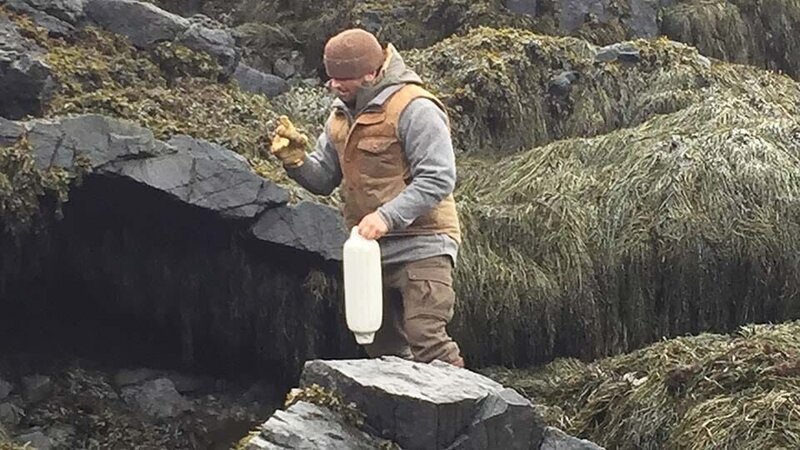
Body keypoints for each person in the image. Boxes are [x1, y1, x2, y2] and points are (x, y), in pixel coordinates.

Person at [269, 28, 464, 368]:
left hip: (424, 241)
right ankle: (401, 415)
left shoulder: (415, 108)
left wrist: (386, 217)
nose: (335, 86)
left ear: (373, 73)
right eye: (332, 78)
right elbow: (324, 179)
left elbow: (439, 178)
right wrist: (296, 161)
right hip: (370, 251)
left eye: (345, 78)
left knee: (426, 338)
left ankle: (464, 415)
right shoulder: (340, 116)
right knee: (381, 347)